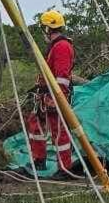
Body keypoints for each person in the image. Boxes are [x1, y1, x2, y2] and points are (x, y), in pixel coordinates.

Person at [25, 10, 78, 177]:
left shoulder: (62, 47)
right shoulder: (55, 46)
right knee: (35, 124)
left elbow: (62, 76)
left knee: (59, 131)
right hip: (46, 95)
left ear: (47, 28)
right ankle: (39, 159)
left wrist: (57, 99)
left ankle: (65, 169)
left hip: (55, 96)